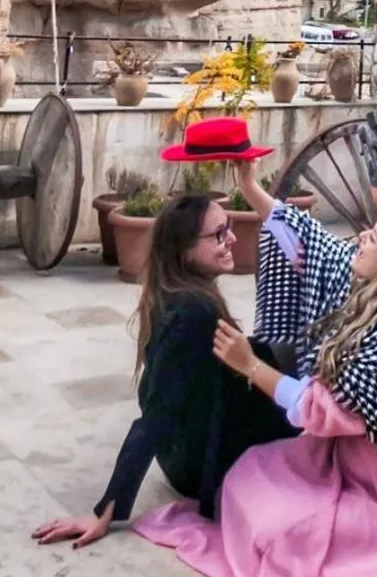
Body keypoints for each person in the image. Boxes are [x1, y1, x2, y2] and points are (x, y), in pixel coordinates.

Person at [134, 153, 377, 577]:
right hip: (365, 464)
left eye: (372, 237)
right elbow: (314, 240)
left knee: (279, 530)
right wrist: (251, 187)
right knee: (253, 472)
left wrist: (250, 366)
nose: (359, 238)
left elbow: (315, 409)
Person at [31, 118, 295, 550]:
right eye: (218, 234)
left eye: (228, 226)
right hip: (199, 464)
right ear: (184, 250)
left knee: (285, 360)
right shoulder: (194, 311)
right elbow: (156, 412)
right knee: (313, 405)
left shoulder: (176, 291)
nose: (230, 239)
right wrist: (105, 511)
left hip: (187, 449)